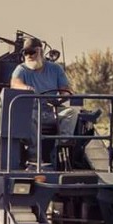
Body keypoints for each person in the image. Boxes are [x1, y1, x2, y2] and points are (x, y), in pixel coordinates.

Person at [11, 38, 75, 168]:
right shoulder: (21, 69)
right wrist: (26, 88)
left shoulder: (55, 69)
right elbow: (15, 83)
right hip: (33, 110)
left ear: (40, 51)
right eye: (25, 53)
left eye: (32, 52)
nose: (28, 56)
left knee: (71, 113)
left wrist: (63, 96)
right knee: (30, 117)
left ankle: (59, 149)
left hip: (52, 110)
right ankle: (35, 158)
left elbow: (65, 89)